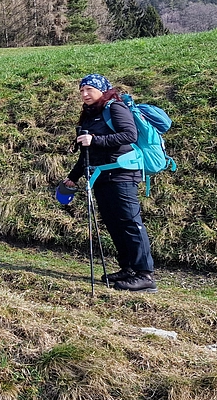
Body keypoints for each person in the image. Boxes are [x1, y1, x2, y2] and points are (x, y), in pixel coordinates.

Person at [60, 74, 157, 293]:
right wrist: (72, 177)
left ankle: (145, 275)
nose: (84, 94)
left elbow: (129, 135)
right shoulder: (89, 114)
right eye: (82, 90)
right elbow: (87, 152)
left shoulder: (115, 108)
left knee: (130, 223)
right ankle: (128, 269)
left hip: (122, 174)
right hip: (101, 176)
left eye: (89, 90)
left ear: (102, 90)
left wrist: (96, 139)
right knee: (114, 223)